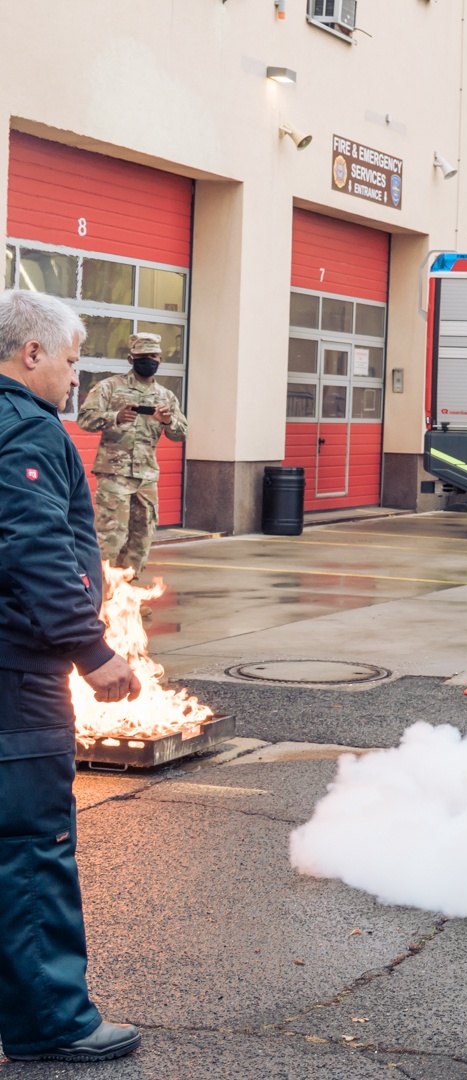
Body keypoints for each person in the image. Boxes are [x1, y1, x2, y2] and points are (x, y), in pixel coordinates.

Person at [0, 289, 142, 1062]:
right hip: (16, 674)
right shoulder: (24, 426)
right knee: (30, 845)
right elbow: (33, 549)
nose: (72, 374)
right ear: (31, 355)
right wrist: (92, 650)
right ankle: (51, 1021)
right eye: (68, 357)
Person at [77, 333, 187, 578]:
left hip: (146, 478)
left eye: (153, 356)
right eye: (142, 357)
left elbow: (181, 434)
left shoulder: (165, 396)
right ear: (131, 358)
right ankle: (100, 597)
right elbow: (84, 419)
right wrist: (114, 417)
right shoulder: (109, 387)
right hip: (114, 475)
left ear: (160, 359)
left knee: (141, 538)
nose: (148, 360)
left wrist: (168, 421)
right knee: (110, 537)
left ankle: (127, 596)